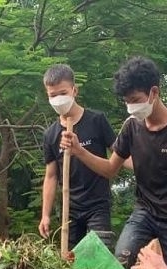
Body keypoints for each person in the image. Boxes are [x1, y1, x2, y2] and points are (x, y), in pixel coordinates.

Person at [62, 56, 167, 269]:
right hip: (145, 212)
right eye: (127, 101)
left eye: (135, 99)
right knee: (121, 261)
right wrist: (79, 151)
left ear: (154, 92)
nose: (131, 107)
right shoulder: (131, 126)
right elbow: (111, 169)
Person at [38, 63, 119, 248]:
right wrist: (45, 215)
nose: (58, 99)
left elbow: (120, 154)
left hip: (98, 206)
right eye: (53, 95)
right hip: (69, 210)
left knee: (100, 258)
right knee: (70, 265)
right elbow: (51, 176)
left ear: (74, 90)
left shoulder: (96, 120)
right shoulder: (50, 135)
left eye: (63, 93)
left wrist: (142, 166)